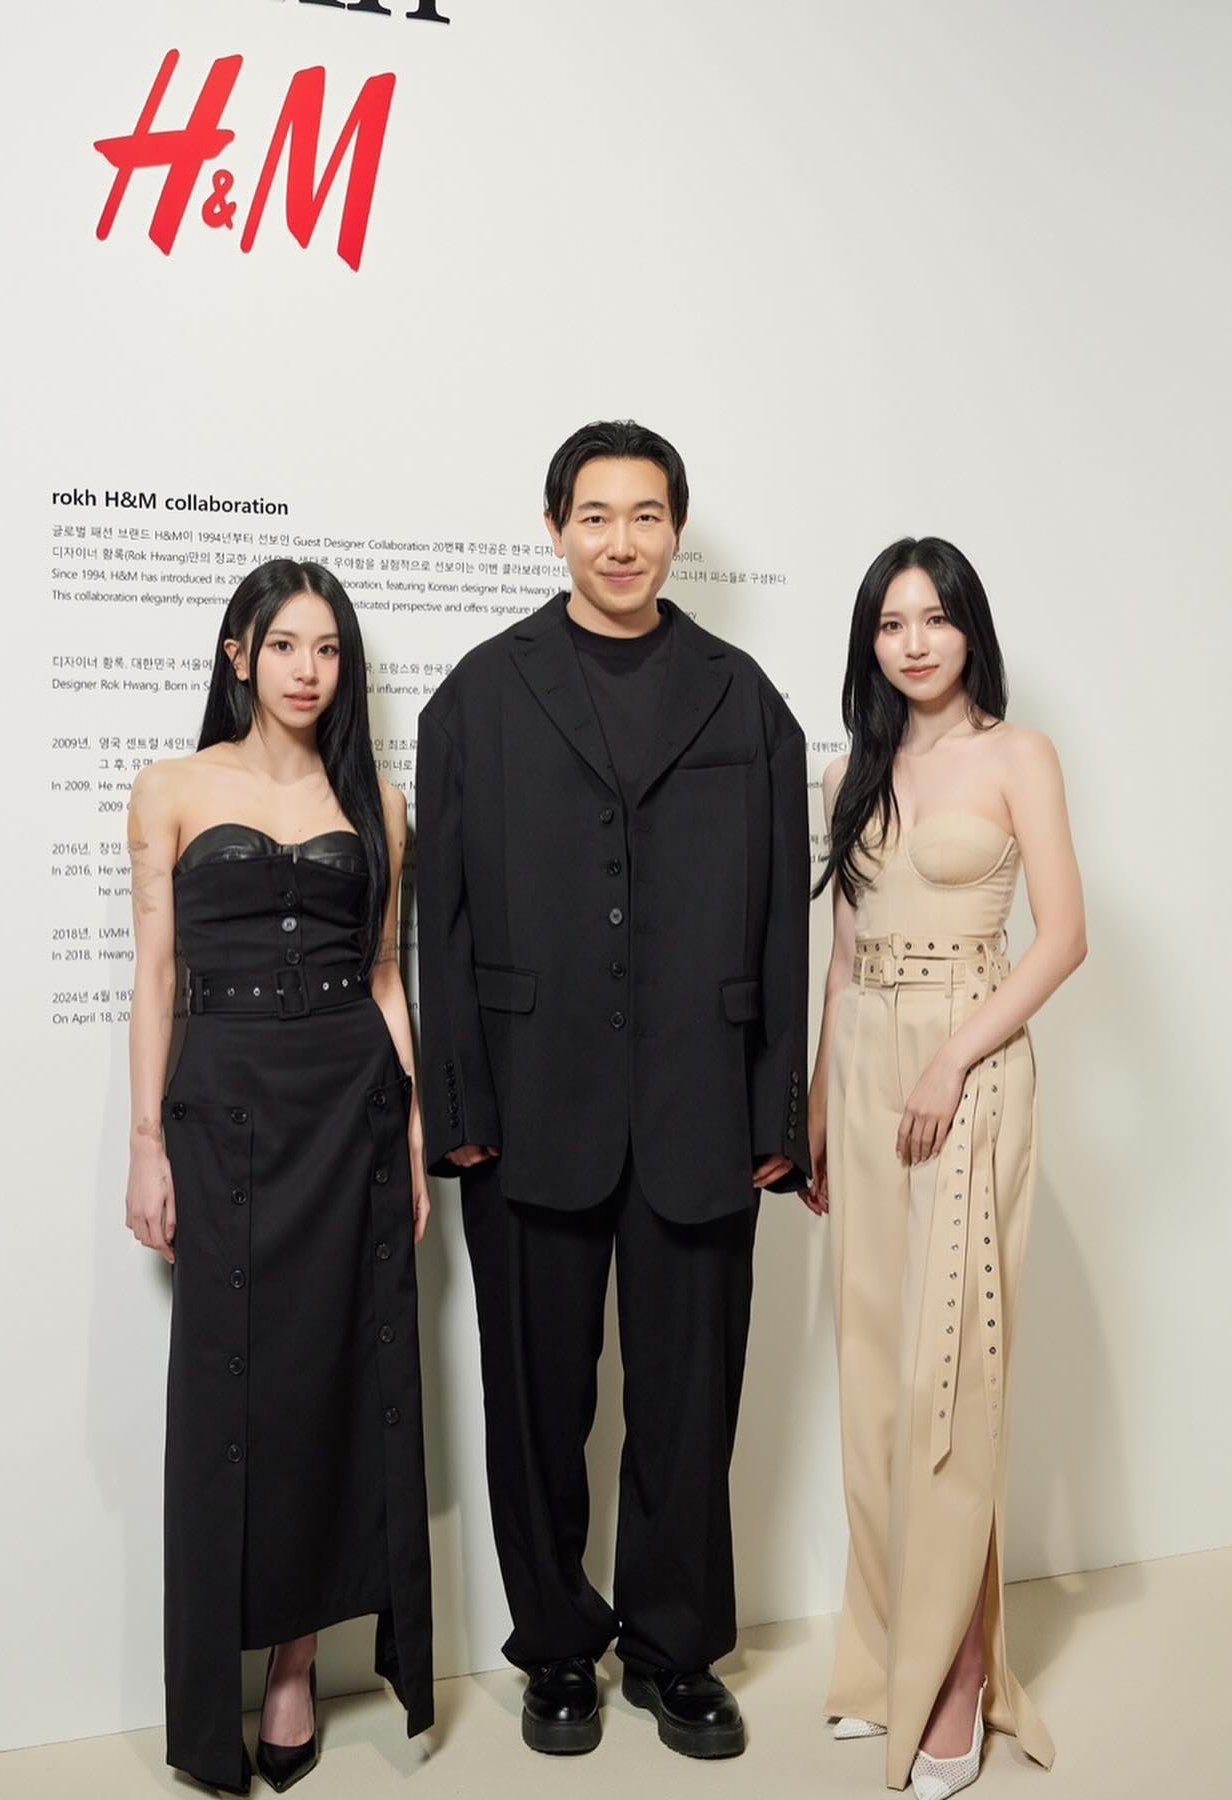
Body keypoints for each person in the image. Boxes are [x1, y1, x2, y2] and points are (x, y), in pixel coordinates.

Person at [415, 419, 811, 1761]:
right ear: (555, 530)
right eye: (596, 515)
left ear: (676, 531)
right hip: (527, 1110)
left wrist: (777, 1110)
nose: (622, 540)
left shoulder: (744, 698)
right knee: (537, 1410)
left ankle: (674, 1649)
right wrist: (460, 1106)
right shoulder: (479, 695)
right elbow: (442, 922)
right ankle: (556, 1649)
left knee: (690, 1407)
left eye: (646, 516)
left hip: (705, 1111)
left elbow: (782, 920)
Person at [124, 560, 433, 1794]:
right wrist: (146, 1141)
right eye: (288, 645)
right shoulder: (171, 786)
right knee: (229, 1395)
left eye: (330, 648)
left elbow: (387, 977)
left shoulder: (380, 802)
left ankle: (298, 1666)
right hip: (225, 1110)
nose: (310, 670)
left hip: (352, 1109)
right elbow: (156, 976)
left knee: (334, 1380)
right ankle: (215, 1696)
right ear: (239, 654)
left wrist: (411, 1137)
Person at [804, 537, 1084, 1796]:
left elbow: (1065, 938)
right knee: (873, 1369)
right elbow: (845, 961)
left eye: (935, 618)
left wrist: (953, 1060)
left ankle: (962, 1672)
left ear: (972, 629)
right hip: (867, 1067)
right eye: (890, 623)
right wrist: (817, 1115)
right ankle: (883, 1655)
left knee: (949, 1378)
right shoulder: (851, 771)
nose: (913, 643)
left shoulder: (1020, 755)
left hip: (967, 1066)